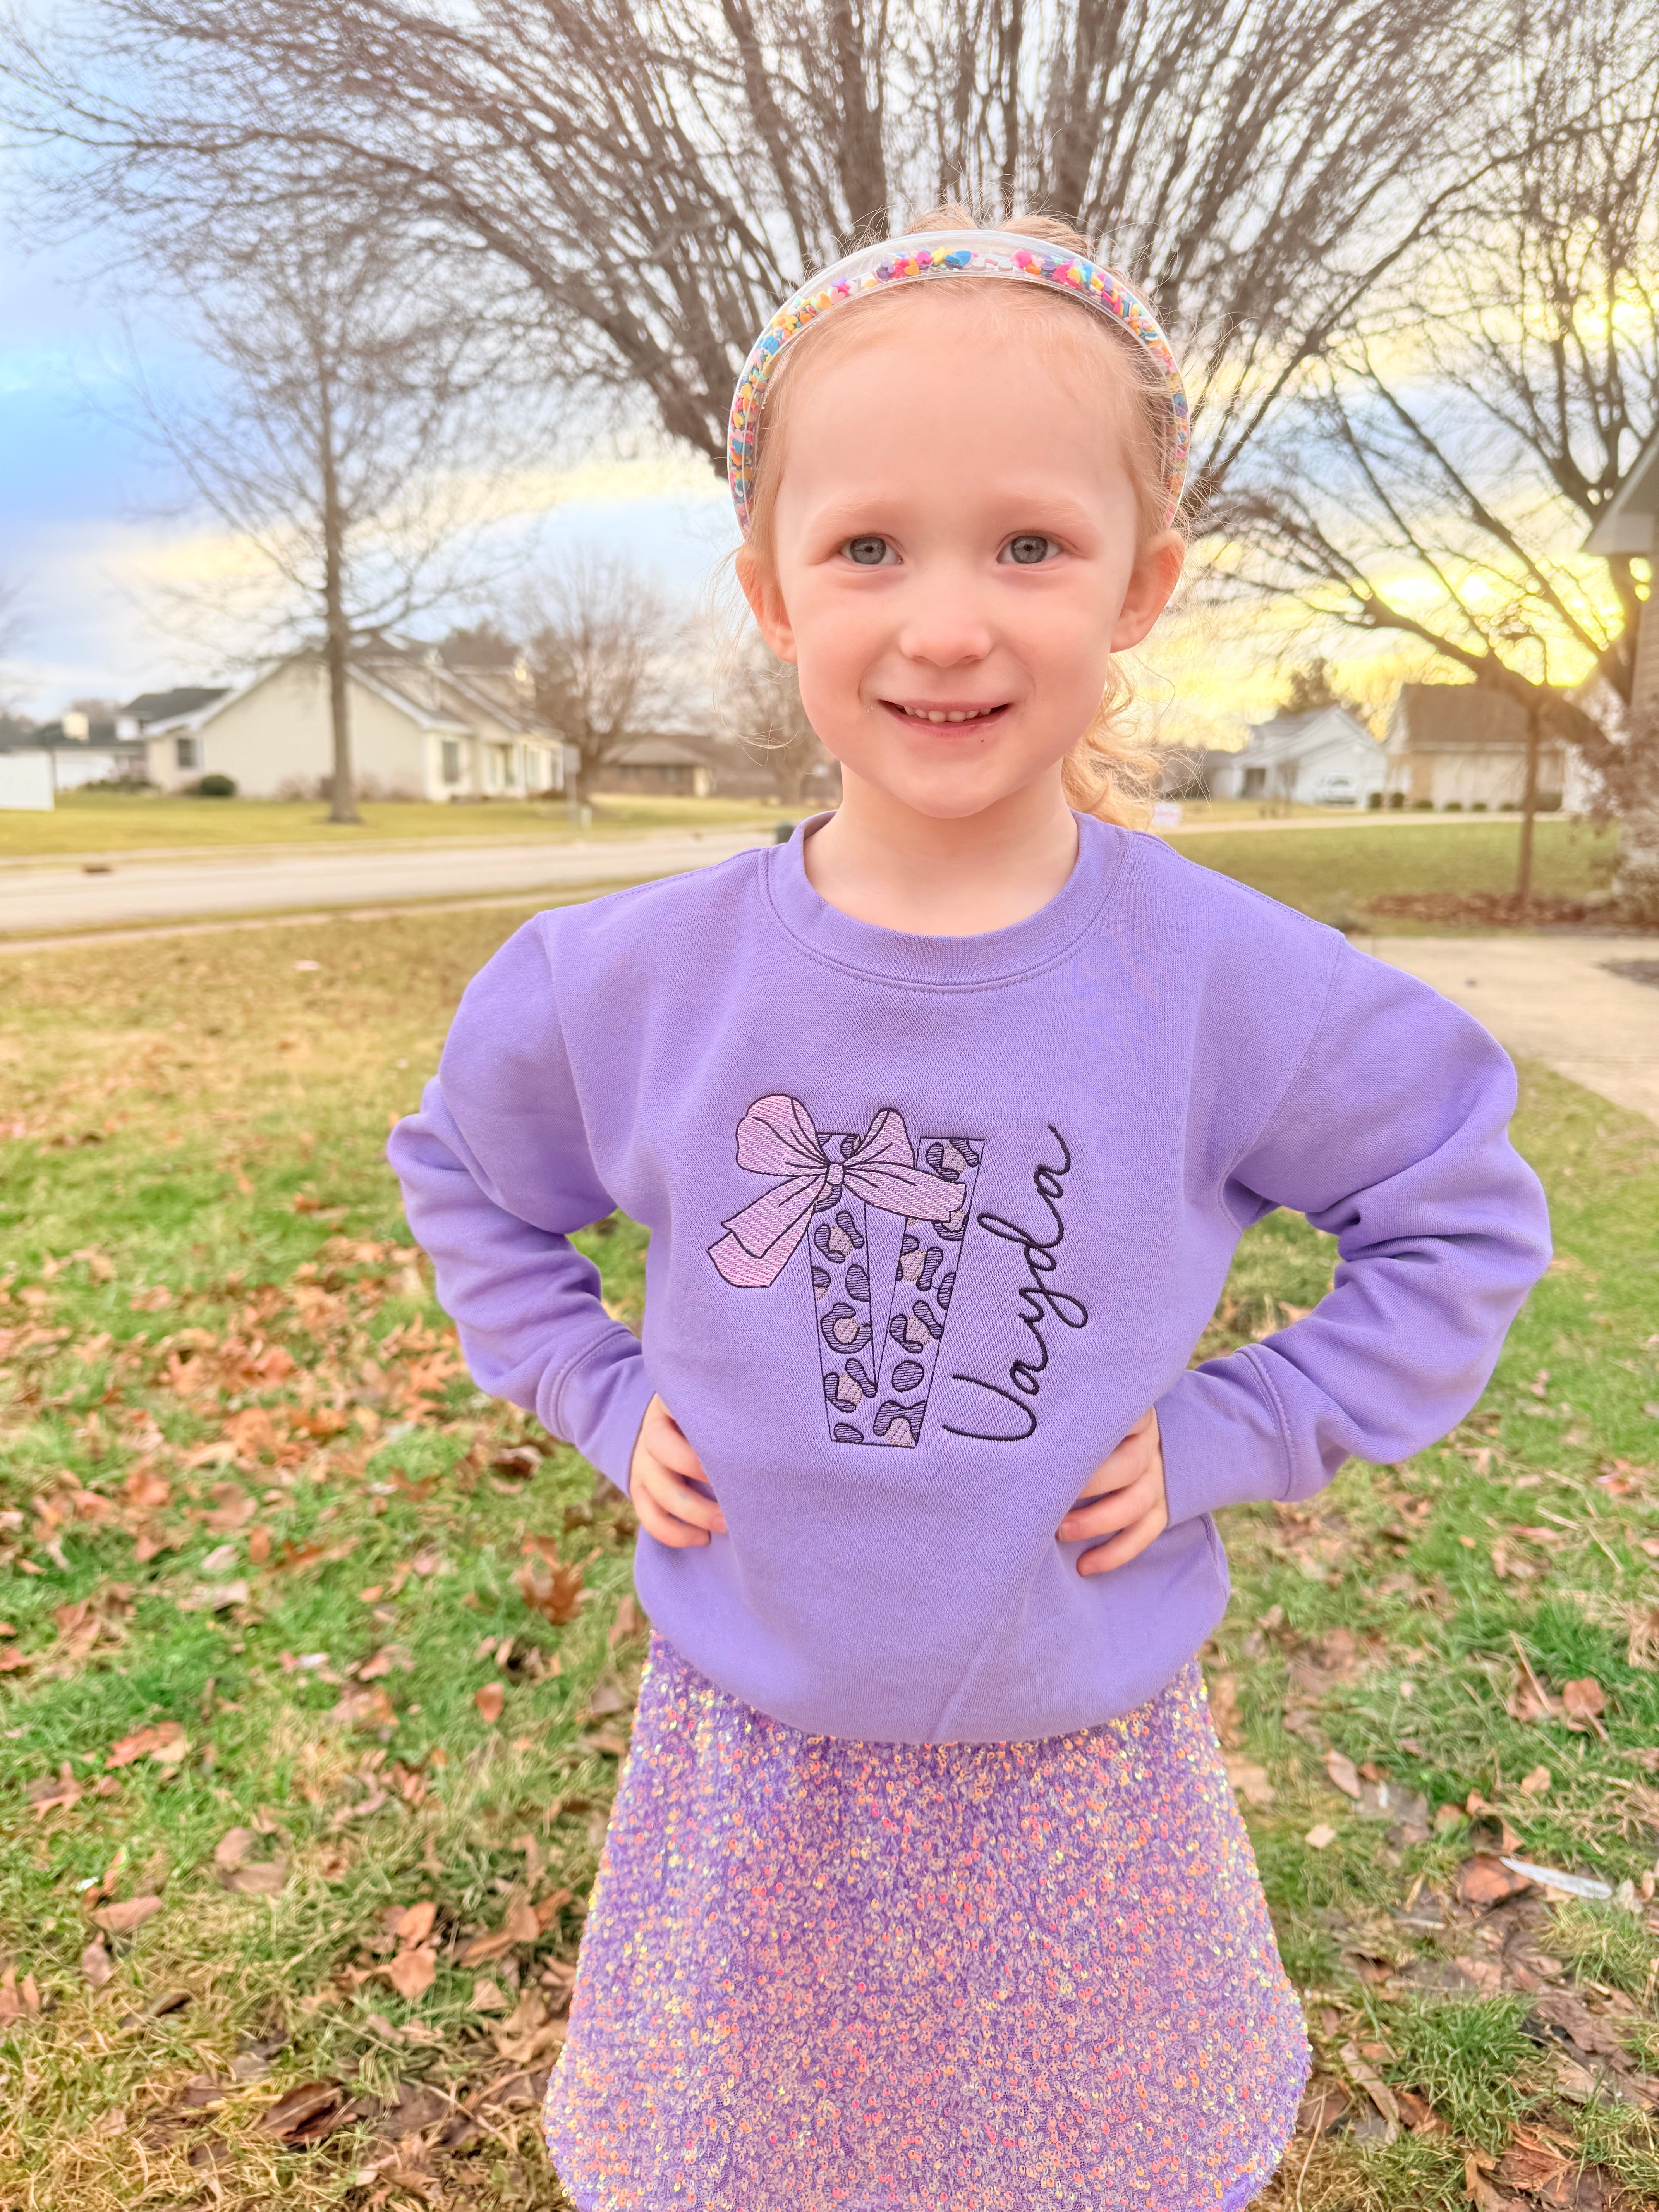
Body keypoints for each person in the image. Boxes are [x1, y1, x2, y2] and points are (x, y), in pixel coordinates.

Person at [388, 209, 1551, 2212]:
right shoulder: (622, 984)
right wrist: (594, 1388)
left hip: (1075, 1754)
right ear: (768, 589)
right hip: (756, 1748)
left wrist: (1245, 1427)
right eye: (868, 548)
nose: (946, 625)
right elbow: (475, 1186)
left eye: (1028, 544)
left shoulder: (1233, 984)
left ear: (1142, 584)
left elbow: (1458, 1217)